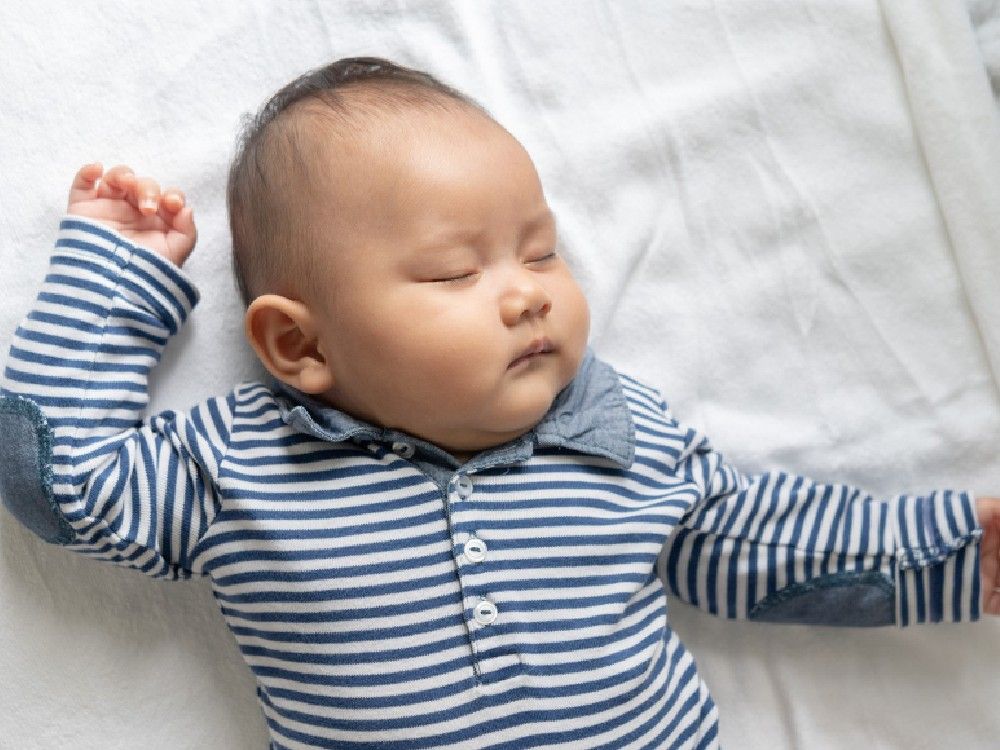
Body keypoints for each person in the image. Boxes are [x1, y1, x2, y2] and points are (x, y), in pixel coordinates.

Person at [0, 56, 997, 750]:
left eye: (539, 249)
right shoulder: (239, 466)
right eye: (450, 273)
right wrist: (114, 278)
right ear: (298, 344)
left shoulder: (617, 434)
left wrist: (956, 553)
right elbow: (64, 482)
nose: (526, 289)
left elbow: (758, 542)